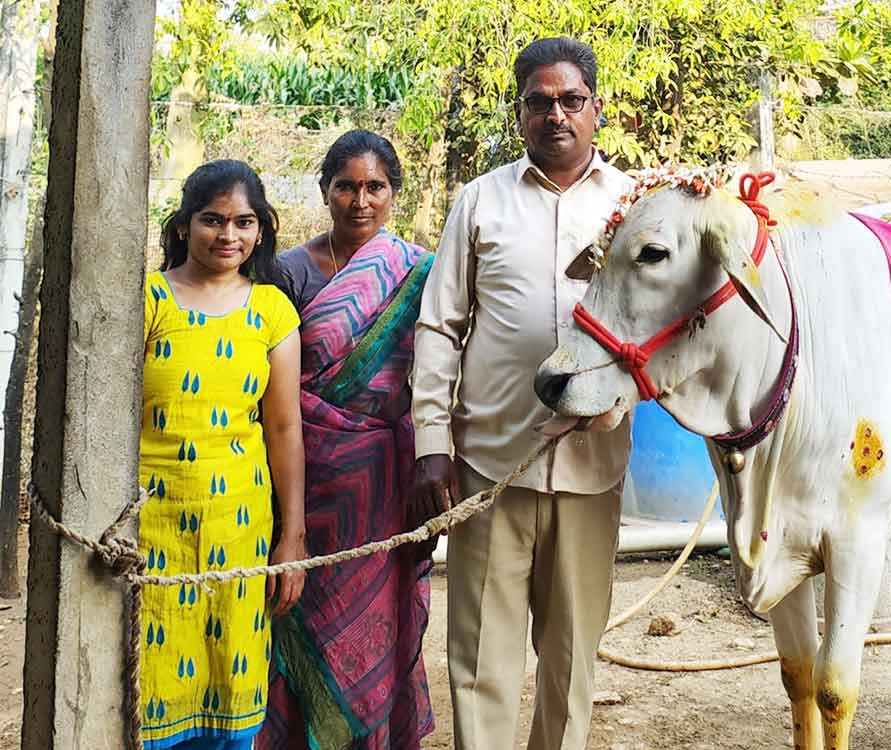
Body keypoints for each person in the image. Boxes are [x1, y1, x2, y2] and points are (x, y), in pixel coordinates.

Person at [411, 37, 634, 750]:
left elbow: (667, 334)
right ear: (520, 114)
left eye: (572, 100)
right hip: (489, 463)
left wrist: (619, 403)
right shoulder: (480, 201)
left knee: (571, 661)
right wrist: (430, 444)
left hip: (592, 467)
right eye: (539, 102)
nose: (556, 115)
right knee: (481, 656)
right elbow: (440, 326)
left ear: (596, 109)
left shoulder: (635, 204)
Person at [260, 130, 435, 750]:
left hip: (385, 481)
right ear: (326, 191)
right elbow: (271, 385)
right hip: (304, 474)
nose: (360, 200)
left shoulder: (418, 271)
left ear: (393, 193)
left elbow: (433, 376)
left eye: (375, 187)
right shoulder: (288, 272)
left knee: (374, 618)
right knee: (297, 612)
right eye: (346, 186)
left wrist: (426, 471)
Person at [139, 159, 306, 749]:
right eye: (212, 220)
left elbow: (283, 428)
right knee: (150, 675)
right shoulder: (149, 300)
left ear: (261, 230)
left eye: (243, 222)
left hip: (240, 525)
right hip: (153, 526)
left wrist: (293, 536)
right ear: (184, 226)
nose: (228, 235)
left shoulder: (273, 312)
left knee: (231, 673)